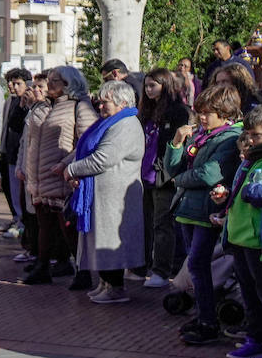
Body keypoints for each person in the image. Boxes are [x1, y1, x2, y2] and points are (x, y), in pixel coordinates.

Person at [166, 84, 243, 345]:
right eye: (200, 112)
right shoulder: (201, 136)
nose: (201, 117)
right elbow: (173, 169)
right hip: (188, 208)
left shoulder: (230, 138)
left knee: (198, 265)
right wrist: (176, 144)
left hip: (206, 211)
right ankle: (204, 316)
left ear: (224, 112)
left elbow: (211, 173)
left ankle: (208, 320)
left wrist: (180, 180)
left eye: (208, 113)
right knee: (196, 265)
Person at [64, 80, 145, 304]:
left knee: (109, 243)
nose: (100, 107)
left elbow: (103, 158)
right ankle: (105, 283)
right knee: (98, 240)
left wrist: (72, 169)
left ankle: (116, 287)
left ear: (122, 103)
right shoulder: (110, 123)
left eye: (104, 102)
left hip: (115, 197)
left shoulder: (126, 124)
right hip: (101, 195)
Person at [22, 67, 98, 289]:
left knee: (68, 228)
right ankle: (43, 266)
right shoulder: (43, 105)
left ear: (69, 83)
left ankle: (82, 271)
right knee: (43, 224)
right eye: (50, 80)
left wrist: (67, 164)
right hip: (39, 176)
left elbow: (88, 142)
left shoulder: (79, 106)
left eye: (57, 80)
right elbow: (28, 140)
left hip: (62, 176)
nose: (51, 83)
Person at [221, 106, 262, 358]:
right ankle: (255, 339)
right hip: (239, 236)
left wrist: (254, 194)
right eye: (248, 133)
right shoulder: (250, 158)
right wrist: (225, 197)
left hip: (260, 241)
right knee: (249, 293)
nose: (251, 139)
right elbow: (240, 191)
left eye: (258, 135)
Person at [139, 68, 193, 289]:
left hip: (164, 174)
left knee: (162, 223)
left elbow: (176, 145)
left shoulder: (177, 111)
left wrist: (171, 172)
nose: (148, 89)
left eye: (153, 85)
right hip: (143, 173)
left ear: (165, 85)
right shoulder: (145, 111)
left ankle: (161, 270)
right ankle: (143, 265)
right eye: (146, 85)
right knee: (147, 222)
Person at [0, 68, 32, 236]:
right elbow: (10, 125)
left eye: (18, 83)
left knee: (21, 192)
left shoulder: (29, 104)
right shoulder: (12, 101)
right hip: (10, 152)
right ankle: (17, 218)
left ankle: (22, 222)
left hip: (23, 154)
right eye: (11, 83)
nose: (13, 86)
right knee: (11, 189)